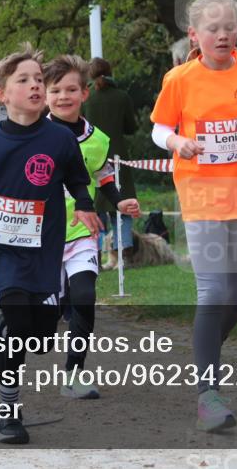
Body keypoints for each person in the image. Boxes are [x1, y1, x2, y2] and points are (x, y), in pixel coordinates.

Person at [0, 43, 102, 445]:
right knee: (17, 318)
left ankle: (7, 331)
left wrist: (84, 204)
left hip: (44, 251)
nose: (35, 86)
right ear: (2, 94)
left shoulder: (60, 139)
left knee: (41, 334)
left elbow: (77, 177)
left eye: (38, 80)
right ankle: (7, 413)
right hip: (2, 250)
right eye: (22, 80)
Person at [150, 0, 237, 432]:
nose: (224, 34)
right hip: (200, 194)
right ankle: (208, 392)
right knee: (211, 292)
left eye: (231, 27)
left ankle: (204, 354)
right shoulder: (180, 79)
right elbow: (159, 129)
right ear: (195, 35)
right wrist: (177, 143)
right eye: (213, 28)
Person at [45, 54, 141, 398]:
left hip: (81, 231)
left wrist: (119, 202)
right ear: (44, 95)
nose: (63, 97)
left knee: (85, 297)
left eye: (71, 89)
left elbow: (103, 178)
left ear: (85, 93)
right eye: (55, 90)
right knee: (44, 319)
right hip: (40, 237)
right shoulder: (33, 134)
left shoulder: (98, 139)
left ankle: (74, 374)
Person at [83, 57, 138, 270]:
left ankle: (94, 255)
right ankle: (121, 257)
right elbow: (131, 127)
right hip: (117, 157)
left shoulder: (87, 98)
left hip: (91, 156)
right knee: (122, 207)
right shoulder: (122, 97)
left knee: (95, 210)